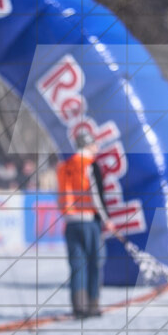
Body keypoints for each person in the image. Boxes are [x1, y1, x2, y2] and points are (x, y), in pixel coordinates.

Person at [57, 131, 114, 319]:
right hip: (89, 220)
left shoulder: (64, 166)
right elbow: (96, 196)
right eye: (95, 144)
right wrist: (107, 219)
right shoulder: (90, 165)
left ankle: (78, 307)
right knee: (94, 263)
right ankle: (92, 305)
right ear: (89, 145)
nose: (97, 148)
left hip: (70, 222)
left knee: (77, 265)